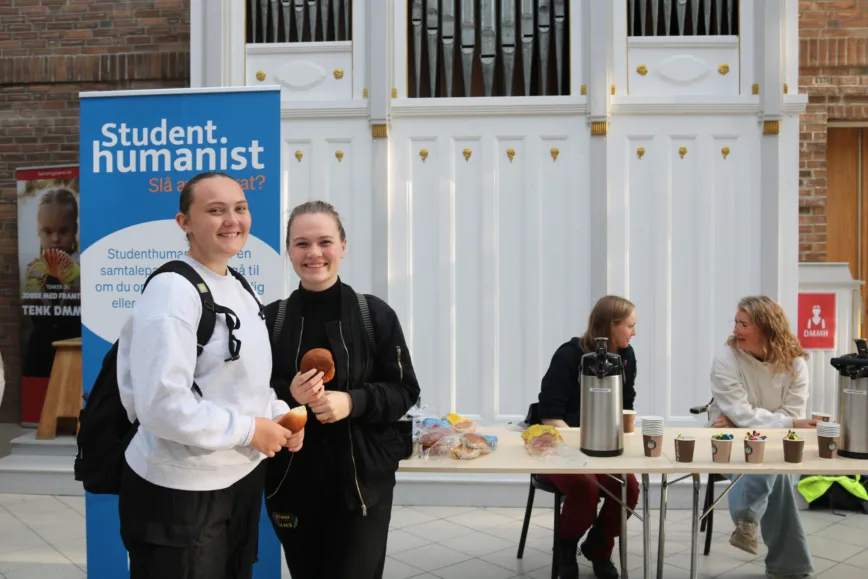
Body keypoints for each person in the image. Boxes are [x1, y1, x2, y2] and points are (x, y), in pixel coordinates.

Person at [116, 171, 304, 579]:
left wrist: (276, 415)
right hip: (181, 494)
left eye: (240, 208)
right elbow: (162, 405)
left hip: (237, 479)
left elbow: (245, 380)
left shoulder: (236, 283)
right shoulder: (172, 291)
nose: (232, 220)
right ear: (184, 223)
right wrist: (249, 431)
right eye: (215, 211)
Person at [264, 200, 420, 579]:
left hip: (361, 483)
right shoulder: (271, 320)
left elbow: (404, 390)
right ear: (288, 250)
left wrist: (352, 401)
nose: (314, 253)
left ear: (343, 247)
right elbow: (252, 392)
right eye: (301, 243)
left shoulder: (374, 315)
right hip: (292, 481)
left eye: (325, 242)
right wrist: (288, 395)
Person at [708, 295, 817, 579]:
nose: (735, 331)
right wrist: (752, 421)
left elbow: (788, 415)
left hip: (773, 442)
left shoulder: (795, 364)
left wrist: (745, 421)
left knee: (767, 456)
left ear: (767, 329)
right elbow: (749, 415)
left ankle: (746, 519)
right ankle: (790, 567)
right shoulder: (726, 359)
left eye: (743, 324)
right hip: (727, 442)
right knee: (772, 464)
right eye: (736, 323)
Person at [536, 295, 640, 579]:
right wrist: (577, 446)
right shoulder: (569, 355)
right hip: (560, 447)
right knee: (586, 489)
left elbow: (625, 405)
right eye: (630, 325)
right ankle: (565, 548)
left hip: (604, 446)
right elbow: (549, 414)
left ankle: (599, 547)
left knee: (628, 487)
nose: (634, 332)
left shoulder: (626, 357)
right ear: (611, 325)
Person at [22, 188, 82, 380]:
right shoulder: (35, 269)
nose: (55, 239)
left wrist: (75, 294)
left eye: (63, 231)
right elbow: (31, 312)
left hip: (73, 351)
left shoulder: (84, 267)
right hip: (40, 354)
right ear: (39, 232)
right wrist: (34, 298)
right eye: (48, 232)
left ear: (75, 231)